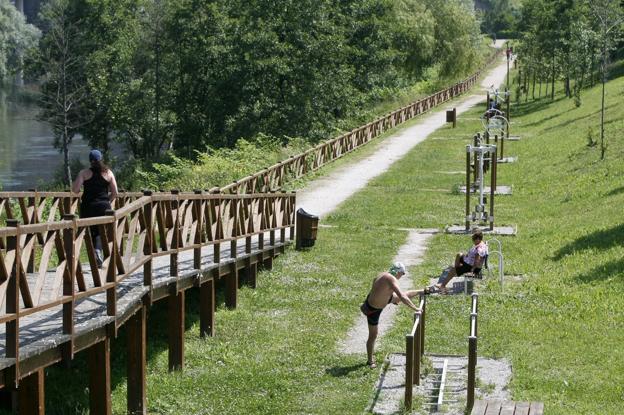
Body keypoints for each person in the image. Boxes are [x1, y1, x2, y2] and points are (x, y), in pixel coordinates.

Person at [360, 262, 422, 369]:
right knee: (373, 335)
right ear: (398, 272)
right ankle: (370, 361)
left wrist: (388, 297)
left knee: (400, 297)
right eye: (402, 274)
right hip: (373, 310)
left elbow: (377, 288)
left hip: (380, 301)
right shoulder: (391, 279)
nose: (401, 277)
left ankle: (421, 291)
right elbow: (401, 296)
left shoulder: (382, 274)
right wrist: (416, 309)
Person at [71, 149, 118, 266]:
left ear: (90, 161)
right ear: (101, 159)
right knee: (102, 231)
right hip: (103, 207)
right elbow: (115, 192)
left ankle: (82, 257)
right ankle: (98, 251)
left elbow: (75, 190)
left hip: (88, 206)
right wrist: (108, 200)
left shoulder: (84, 173)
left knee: (90, 231)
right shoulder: (108, 173)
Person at [432, 229, 488, 294]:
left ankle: (443, 286)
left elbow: (477, 261)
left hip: (472, 267)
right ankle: (457, 270)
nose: (472, 241)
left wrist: (472, 271)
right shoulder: (480, 243)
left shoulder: (479, 248)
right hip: (469, 262)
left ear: (478, 239)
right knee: (459, 255)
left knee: (453, 269)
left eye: (473, 239)